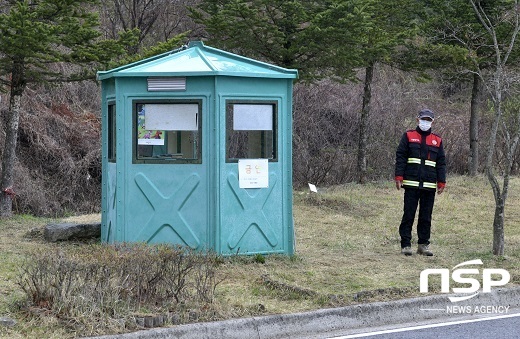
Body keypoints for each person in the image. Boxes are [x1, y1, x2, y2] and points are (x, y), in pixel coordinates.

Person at [395, 108, 446, 256]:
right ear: (418, 120)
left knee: (425, 216)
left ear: (432, 122)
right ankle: (405, 245)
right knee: (408, 214)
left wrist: (441, 181)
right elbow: (401, 156)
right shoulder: (408, 136)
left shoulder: (437, 140)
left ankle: (423, 245)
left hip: (429, 186)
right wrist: (399, 176)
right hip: (411, 183)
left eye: (429, 120)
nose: (426, 122)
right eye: (424, 119)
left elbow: (441, 162)